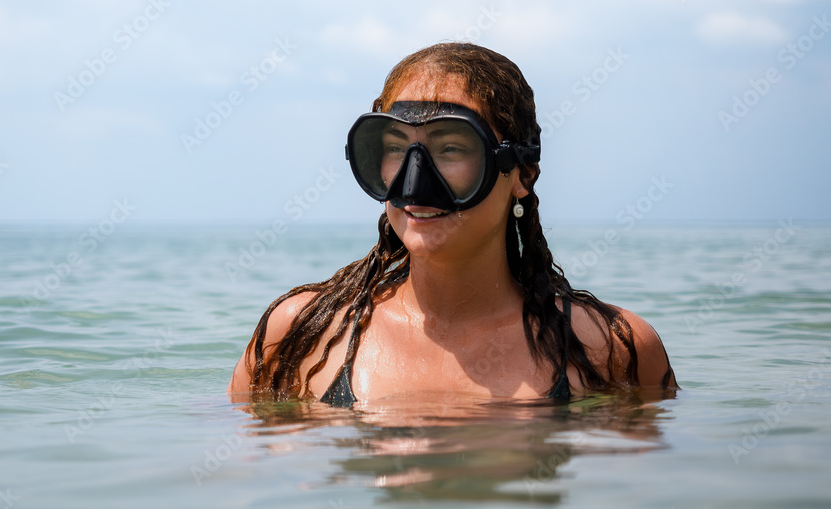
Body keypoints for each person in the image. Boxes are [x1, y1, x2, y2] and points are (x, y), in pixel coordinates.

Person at [228, 43, 676, 405]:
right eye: (396, 147)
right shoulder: (299, 334)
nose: (415, 182)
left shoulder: (613, 349)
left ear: (522, 174)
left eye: (452, 148)